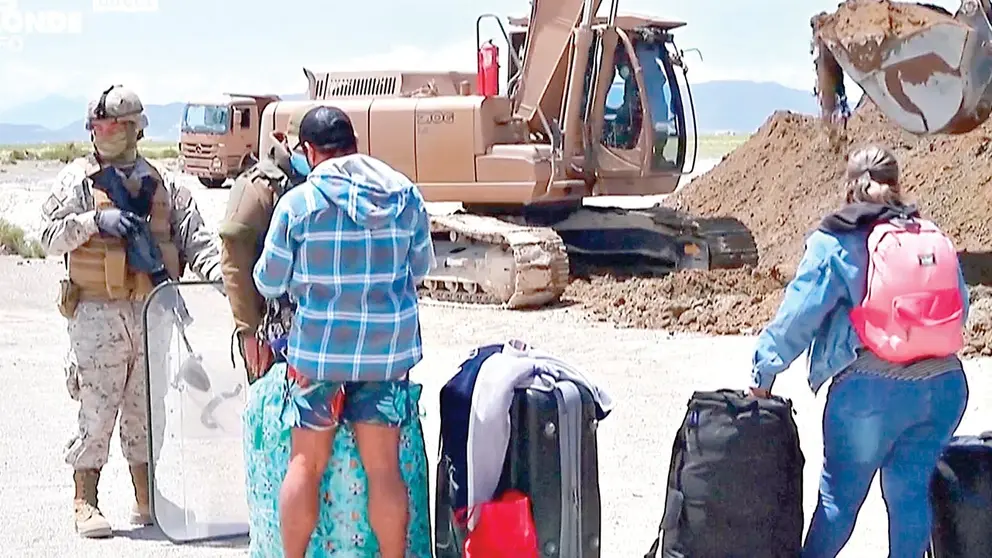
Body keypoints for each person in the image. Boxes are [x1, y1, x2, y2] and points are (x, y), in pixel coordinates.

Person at [748, 144, 970, 557]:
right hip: (943, 387)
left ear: (849, 188)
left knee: (838, 502)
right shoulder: (927, 234)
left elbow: (800, 313)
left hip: (869, 395)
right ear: (898, 184)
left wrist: (763, 374)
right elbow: (961, 306)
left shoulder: (838, 239)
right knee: (909, 491)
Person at [39, 84, 223, 538]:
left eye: (111, 125)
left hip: (150, 311)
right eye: (96, 126)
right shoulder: (77, 182)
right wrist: (91, 222)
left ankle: (148, 499)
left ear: (135, 128)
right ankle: (85, 500)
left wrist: (222, 277)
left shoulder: (163, 184)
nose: (101, 133)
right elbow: (46, 237)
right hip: (97, 314)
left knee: (146, 410)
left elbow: (195, 239)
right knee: (96, 408)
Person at [252, 105, 435, 558]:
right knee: (384, 470)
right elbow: (421, 267)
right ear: (353, 144)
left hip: (318, 357)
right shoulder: (404, 196)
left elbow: (268, 280)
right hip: (385, 356)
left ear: (310, 152)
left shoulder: (299, 204)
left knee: (305, 464)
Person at [218, 115, 309, 383]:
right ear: (286, 143)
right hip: (270, 329)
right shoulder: (258, 188)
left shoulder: (315, 181)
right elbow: (234, 263)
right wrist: (249, 331)